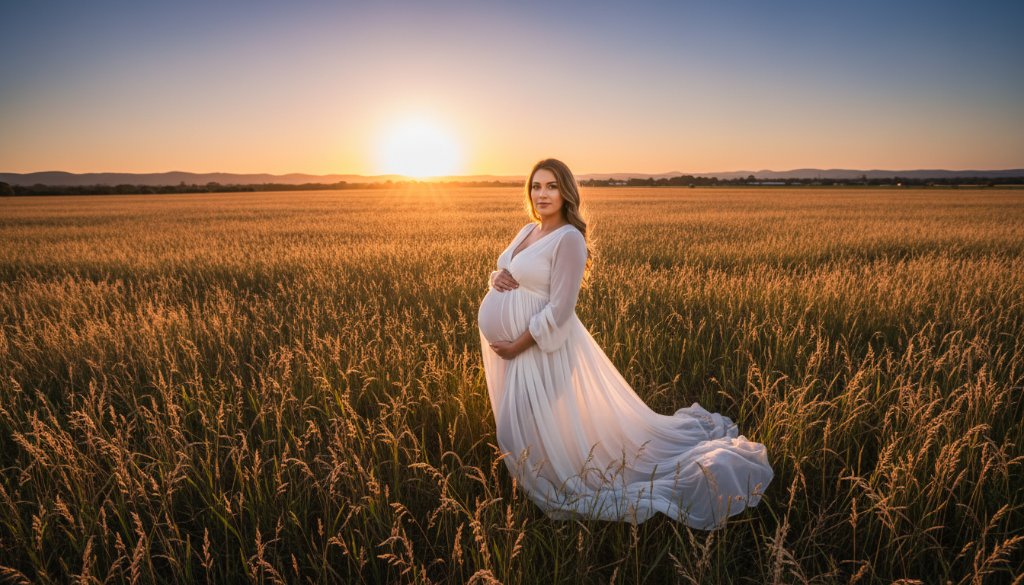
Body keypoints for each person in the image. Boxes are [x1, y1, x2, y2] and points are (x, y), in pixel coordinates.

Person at [477, 158, 773, 529]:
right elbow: (511, 270)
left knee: (517, 425)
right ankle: (538, 485)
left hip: (540, 350)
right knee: (526, 426)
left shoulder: (569, 238)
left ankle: (553, 493)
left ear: (566, 191)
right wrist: (497, 277)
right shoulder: (526, 230)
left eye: (551, 186)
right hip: (514, 352)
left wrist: (518, 343)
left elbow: (561, 307)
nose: (542, 194)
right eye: (536, 186)